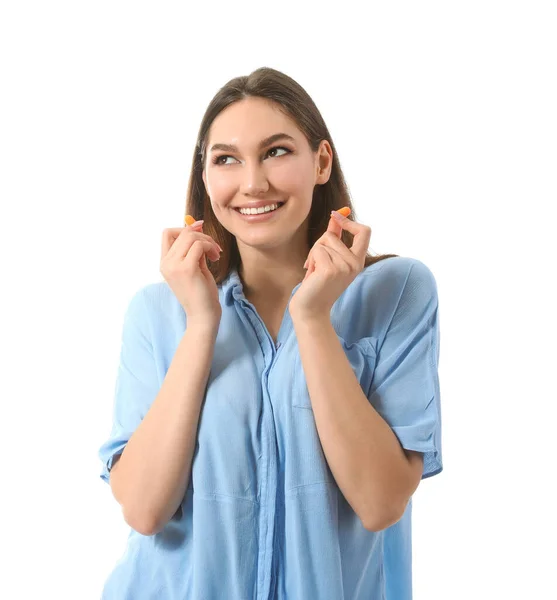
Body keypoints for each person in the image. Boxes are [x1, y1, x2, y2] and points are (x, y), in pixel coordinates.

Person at [97, 66, 443, 600]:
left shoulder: (396, 293)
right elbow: (144, 510)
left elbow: (379, 503)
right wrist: (201, 325)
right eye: (227, 159)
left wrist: (313, 320)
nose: (253, 182)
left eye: (277, 151)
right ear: (206, 178)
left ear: (321, 161)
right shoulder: (156, 312)